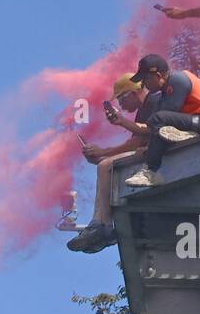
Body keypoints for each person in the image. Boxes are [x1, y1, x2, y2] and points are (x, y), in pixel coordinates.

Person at [67, 73, 160, 252]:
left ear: (133, 93)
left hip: (157, 155)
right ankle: (100, 224)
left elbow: (135, 143)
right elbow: (133, 145)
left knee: (105, 166)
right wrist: (101, 156)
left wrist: (103, 154)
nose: (121, 105)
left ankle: (102, 225)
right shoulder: (145, 109)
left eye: (121, 99)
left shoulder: (153, 102)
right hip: (149, 154)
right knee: (105, 165)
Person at [123, 54, 200, 188]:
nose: (144, 84)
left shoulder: (179, 80)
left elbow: (157, 122)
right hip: (197, 123)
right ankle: (188, 134)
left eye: (146, 79)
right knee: (160, 125)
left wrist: (149, 149)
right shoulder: (164, 92)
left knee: (159, 119)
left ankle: (150, 172)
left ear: (158, 75)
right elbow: (154, 127)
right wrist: (121, 122)